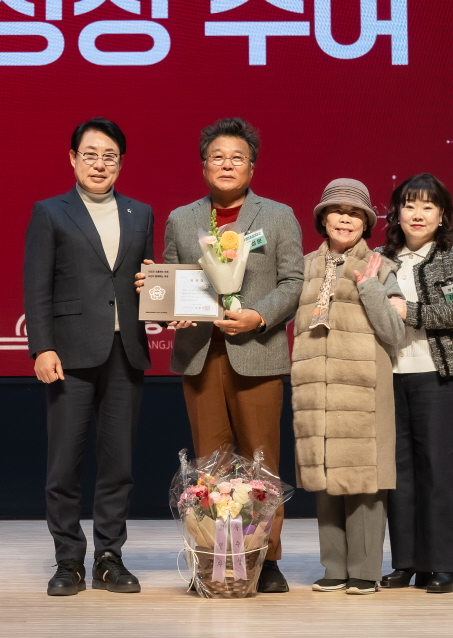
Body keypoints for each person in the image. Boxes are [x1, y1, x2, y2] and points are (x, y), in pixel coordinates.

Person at [135, 117, 303, 592]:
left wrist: (258, 316)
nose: (227, 165)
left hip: (258, 351)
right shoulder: (182, 218)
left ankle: (266, 559)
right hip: (201, 355)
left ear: (252, 166)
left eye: (237, 158)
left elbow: (293, 282)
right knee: (211, 464)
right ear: (204, 166)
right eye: (217, 157)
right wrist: (162, 299)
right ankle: (214, 561)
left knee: (260, 462)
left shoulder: (277, 216)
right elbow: (174, 282)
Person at [23, 118, 154, 597]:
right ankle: (68, 561)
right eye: (91, 154)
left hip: (126, 352)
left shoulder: (141, 213)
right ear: (73, 158)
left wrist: (157, 289)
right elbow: (36, 285)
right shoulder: (50, 212)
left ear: (121, 162)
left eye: (109, 156)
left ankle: (109, 558)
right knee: (64, 465)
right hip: (70, 353)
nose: (100, 164)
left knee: (118, 465)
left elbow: (148, 281)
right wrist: (42, 346)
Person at [290, 178, 406, 595]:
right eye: (337, 211)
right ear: (323, 219)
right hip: (315, 385)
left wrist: (370, 286)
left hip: (362, 387)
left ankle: (365, 570)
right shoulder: (303, 266)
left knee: (364, 482)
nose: (345, 219)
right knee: (325, 479)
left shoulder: (381, 266)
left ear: (367, 223)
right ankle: (334, 566)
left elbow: (394, 332)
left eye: (355, 213)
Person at [377, 173, 453, 595]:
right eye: (409, 205)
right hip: (387, 377)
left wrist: (411, 311)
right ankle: (406, 562)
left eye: (427, 206)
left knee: (439, 472)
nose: (417, 214)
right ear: (396, 213)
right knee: (398, 475)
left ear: (442, 215)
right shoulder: (380, 258)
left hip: (437, 376)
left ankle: (443, 565)